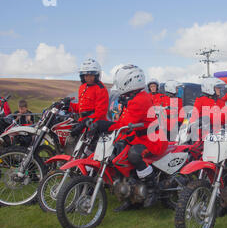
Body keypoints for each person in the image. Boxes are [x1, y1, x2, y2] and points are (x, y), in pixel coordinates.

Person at [89, 65, 168, 211]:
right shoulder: (132, 97)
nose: (118, 86)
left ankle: (152, 189)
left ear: (129, 82)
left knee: (134, 155)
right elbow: (124, 122)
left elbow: (124, 124)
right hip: (137, 137)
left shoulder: (140, 99)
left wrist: (104, 125)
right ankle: (131, 197)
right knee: (118, 157)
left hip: (151, 140)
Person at [68, 58, 109, 136]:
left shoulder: (101, 89)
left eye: (91, 75)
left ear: (96, 75)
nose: (88, 78)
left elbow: (100, 113)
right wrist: (68, 106)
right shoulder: (82, 87)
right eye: (85, 75)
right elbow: (80, 107)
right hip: (82, 123)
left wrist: (85, 122)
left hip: (94, 125)